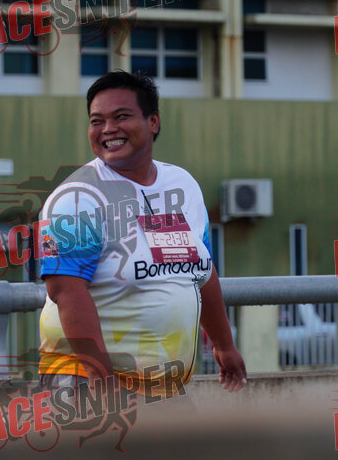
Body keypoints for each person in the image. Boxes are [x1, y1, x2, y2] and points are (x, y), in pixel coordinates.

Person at [38, 71, 246, 398]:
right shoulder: (75, 198)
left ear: (153, 122)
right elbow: (66, 292)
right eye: (97, 121)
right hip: (86, 380)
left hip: (162, 384)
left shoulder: (182, 185)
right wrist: (102, 379)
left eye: (121, 116)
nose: (108, 129)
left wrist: (223, 345)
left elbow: (202, 271)